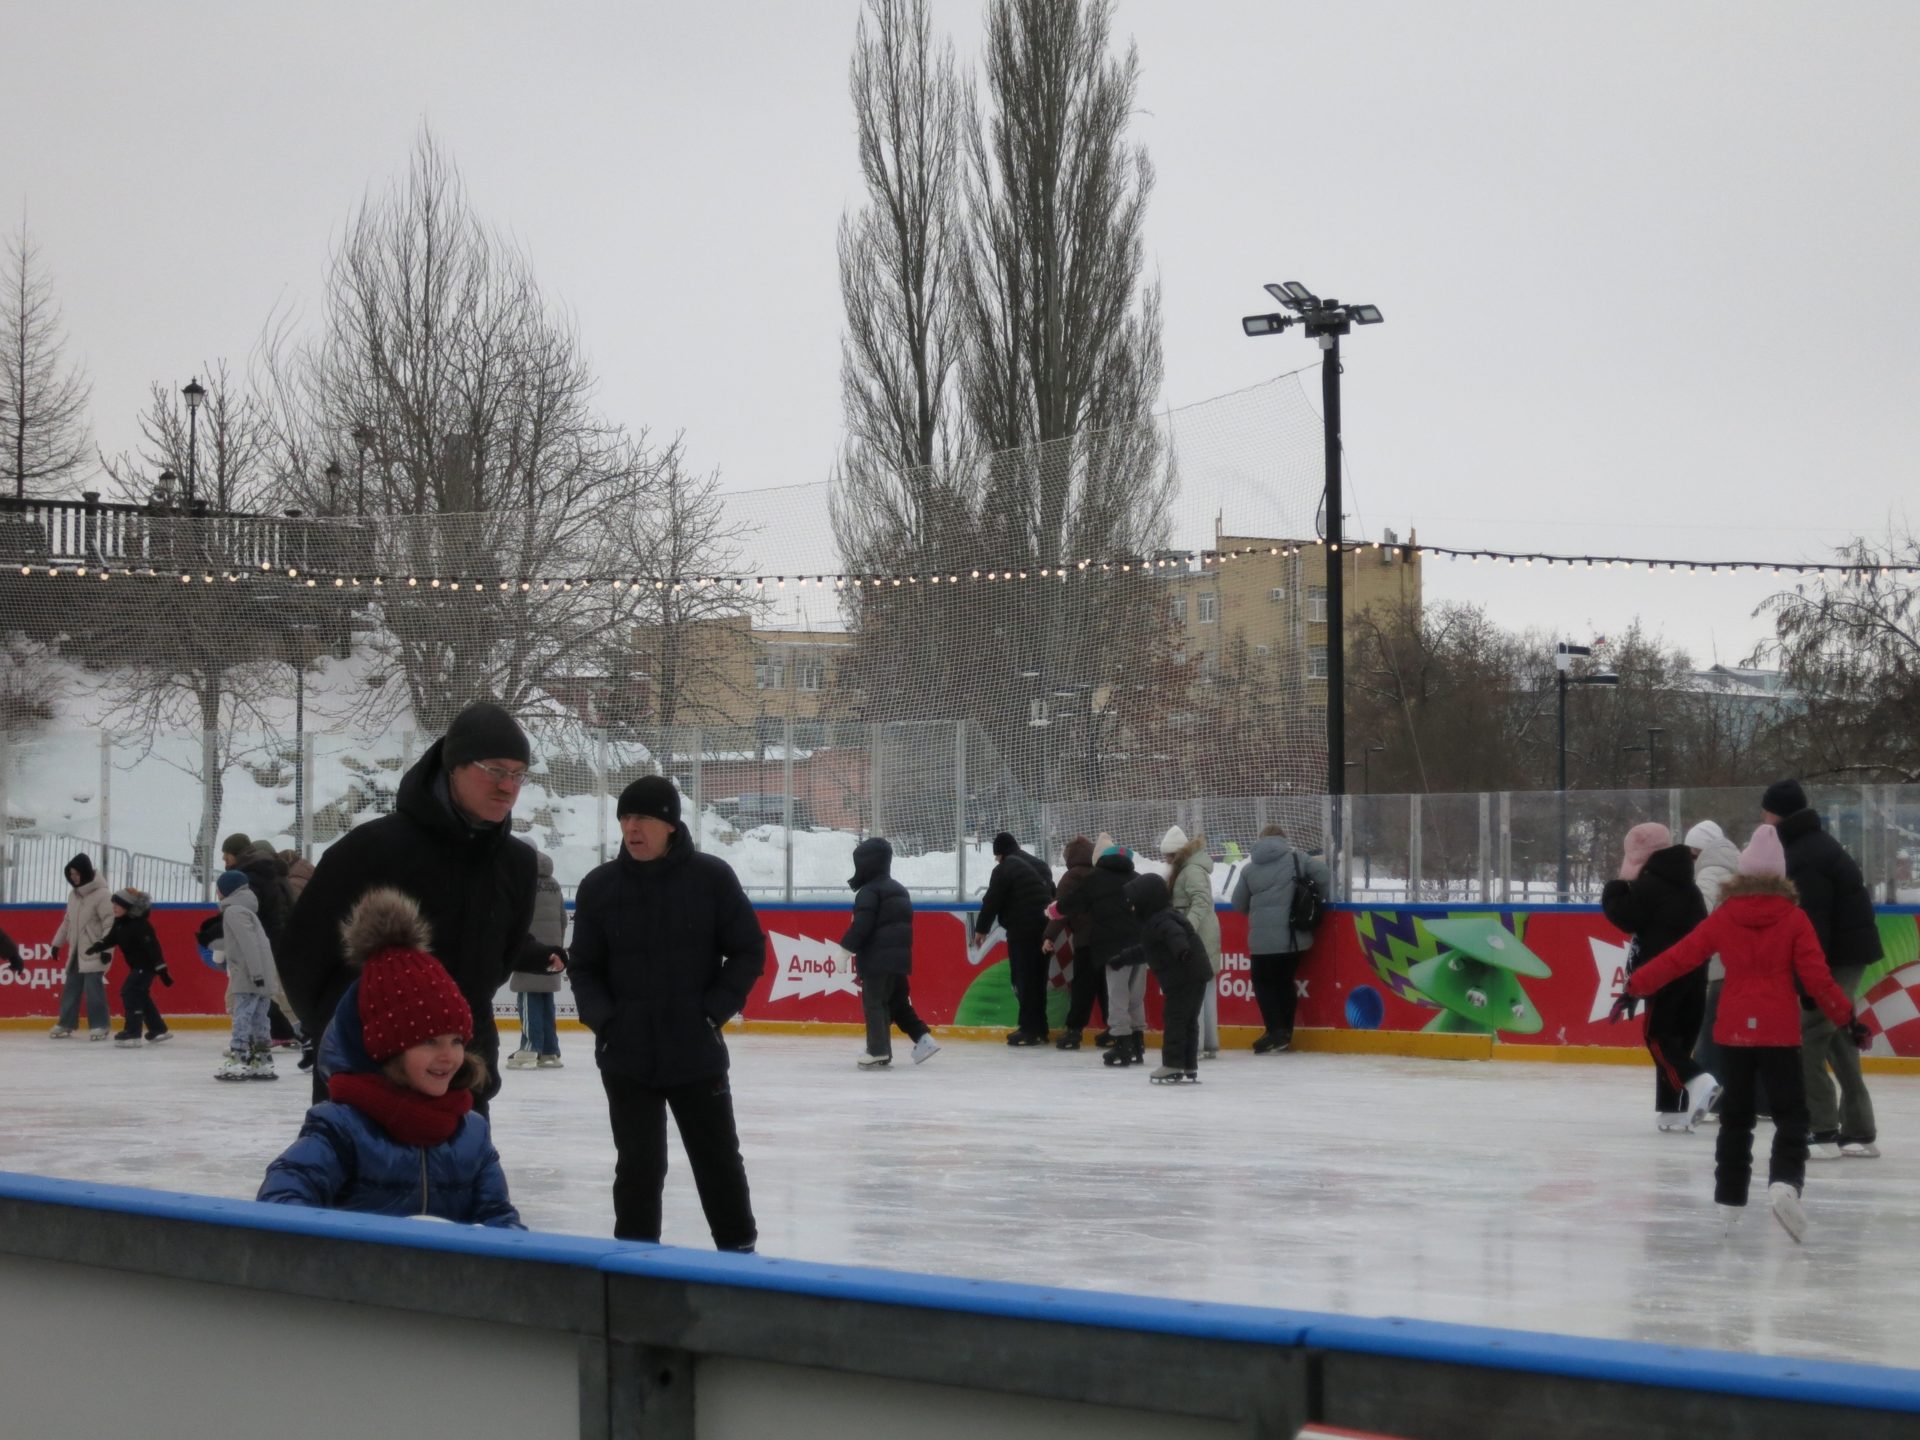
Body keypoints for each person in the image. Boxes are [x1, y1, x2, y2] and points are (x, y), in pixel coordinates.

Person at [278, 702, 565, 1111]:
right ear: (454, 767)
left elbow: (498, 963)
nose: (508, 786)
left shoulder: (516, 863)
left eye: (518, 774)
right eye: (495, 770)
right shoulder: (371, 849)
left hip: (464, 1078)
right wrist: (347, 1042)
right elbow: (304, 958)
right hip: (367, 1082)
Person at [1622, 825, 1865, 1243]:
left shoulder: (1726, 915)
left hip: (1733, 1032)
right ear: (1781, 875)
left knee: (1735, 1119)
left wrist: (1635, 985)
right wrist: (1847, 1019)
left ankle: (1729, 1201)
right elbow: (1818, 980)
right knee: (1792, 1116)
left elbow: (1680, 957)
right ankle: (1784, 1183)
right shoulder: (1794, 919)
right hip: (1779, 1033)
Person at [568, 776, 764, 1250]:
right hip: (626, 1055)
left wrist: (712, 1012)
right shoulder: (599, 886)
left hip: (695, 1051)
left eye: (643, 818)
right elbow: (584, 967)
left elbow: (748, 950)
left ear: (671, 824)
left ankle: (739, 1254)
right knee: (638, 1166)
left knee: (717, 1160)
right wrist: (607, 1022)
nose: (631, 828)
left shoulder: (711, 878)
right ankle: (635, 1262)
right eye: (625, 818)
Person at [258, 889, 523, 1228]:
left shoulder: (471, 1133)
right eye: (429, 1041)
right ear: (387, 1050)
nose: (448, 1056)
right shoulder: (341, 1129)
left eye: (457, 1041)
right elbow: (280, 1201)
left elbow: (499, 1217)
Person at [1762, 779, 1885, 1160]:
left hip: (1835, 957)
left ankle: (1823, 1130)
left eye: (1766, 810)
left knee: (1808, 1036)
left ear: (1778, 813)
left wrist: (1808, 985)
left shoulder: (1804, 855)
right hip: (1844, 953)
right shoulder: (1810, 844)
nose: (1762, 818)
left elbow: (1813, 925)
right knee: (1837, 1037)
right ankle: (1859, 1131)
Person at [1602, 823, 1717, 1131]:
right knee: (1679, 1038)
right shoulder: (1688, 885)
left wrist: (1615, 887)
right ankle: (1673, 1109)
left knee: (1658, 1036)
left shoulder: (1650, 885)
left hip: (1663, 973)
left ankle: (1696, 1080)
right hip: (1695, 972)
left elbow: (1623, 916)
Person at [1230, 826, 1330, 1054]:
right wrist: (1317, 895)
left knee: (1263, 982)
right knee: (1285, 982)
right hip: (1294, 937)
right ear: (1283, 839)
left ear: (1260, 840)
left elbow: (1238, 903)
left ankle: (1275, 1031)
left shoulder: (1249, 869)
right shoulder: (1298, 859)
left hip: (1262, 941)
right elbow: (1324, 875)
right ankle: (1285, 1033)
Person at [844, 836, 939, 1069]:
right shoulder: (899, 889)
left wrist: (845, 949)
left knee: (874, 1003)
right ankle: (923, 1039)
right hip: (899, 960)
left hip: (877, 961)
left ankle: (877, 1050)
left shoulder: (868, 892)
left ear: (868, 864)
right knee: (897, 1004)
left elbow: (862, 925)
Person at [1058, 840, 1149, 1068]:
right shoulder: (1137, 878)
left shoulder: (1096, 878)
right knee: (1135, 997)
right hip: (1140, 947)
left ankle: (1122, 1044)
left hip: (1113, 948)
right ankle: (1138, 1044)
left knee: (1117, 996)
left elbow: (1074, 901)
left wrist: (1054, 910)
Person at [1126, 872, 1212, 1084]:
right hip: (1194, 974)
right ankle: (1188, 1063)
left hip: (1184, 976)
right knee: (1188, 1020)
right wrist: (1121, 959)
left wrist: (1182, 951)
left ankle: (1173, 1064)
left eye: (1135, 903)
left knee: (1175, 1019)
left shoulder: (1161, 920)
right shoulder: (1160, 918)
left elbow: (1175, 935)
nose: (1132, 908)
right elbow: (1148, 950)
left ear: (1146, 901)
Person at [1684, 819, 1743, 1116]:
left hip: (1718, 966)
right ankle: (1754, 1098)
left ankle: (1708, 1098)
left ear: (1699, 850)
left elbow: (1699, 912)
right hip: (1736, 964)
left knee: (1709, 1035)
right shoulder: (1734, 866)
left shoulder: (1710, 872)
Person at [975, 831, 1056, 1046]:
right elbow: (1052, 894)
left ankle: (1028, 1030)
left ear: (1000, 853)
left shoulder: (1004, 868)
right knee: (1038, 979)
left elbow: (992, 900)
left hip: (1022, 930)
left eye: (996, 856)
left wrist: (981, 929)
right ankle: (1040, 1028)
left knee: (1023, 979)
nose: (996, 860)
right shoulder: (1040, 865)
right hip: (1046, 930)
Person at [1162, 826, 1223, 1059]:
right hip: (1199, 935)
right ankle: (1207, 1043)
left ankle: (1196, 1044)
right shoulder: (1188, 869)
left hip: (1198, 937)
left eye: (1169, 856)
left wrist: (1186, 928)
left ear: (1178, 854)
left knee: (1194, 991)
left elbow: (1201, 901)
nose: (1166, 860)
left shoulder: (1192, 871)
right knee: (1203, 990)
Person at [214, 870, 281, 1081]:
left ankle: (238, 1059)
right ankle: (262, 1060)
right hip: (260, 974)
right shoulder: (247, 910)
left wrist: (256, 974)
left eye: (218, 888)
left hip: (249, 974)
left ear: (227, 890)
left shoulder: (234, 911)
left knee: (242, 1015)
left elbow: (249, 944)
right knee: (260, 1017)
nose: (217, 893)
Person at [1044, 835, 1107, 1049]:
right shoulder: (1100, 873)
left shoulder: (1072, 876)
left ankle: (1074, 1031)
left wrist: (1048, 936)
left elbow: (1060, 909)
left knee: (1082, 987)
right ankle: (1115, 1030)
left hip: (1086, 941)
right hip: (1107, 940)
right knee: (1106, 986)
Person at [89, 888, 173, 1048]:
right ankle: (158, 1029)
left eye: (118, 904)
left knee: (130, 992)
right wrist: (98, 946)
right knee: (140, 995)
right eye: (113, 904)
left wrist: (162, 970)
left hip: (146, 967)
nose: (114, 907)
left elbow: (153, 948)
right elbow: (112, 938)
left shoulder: (140, 925)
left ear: (127, 906)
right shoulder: (120, 922)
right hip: (137, 966)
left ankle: (133, 1032)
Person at [508, 851, 568, 1070]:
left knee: (528, 998)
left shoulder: (523, 882)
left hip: (529, 951)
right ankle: (550, 1051)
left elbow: (515, 917)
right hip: (552, 951)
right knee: (545, 1000)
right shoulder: (554, 884)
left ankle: (529, 1049)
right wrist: (556, 947)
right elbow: (563, 918)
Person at [49, 853, 114, 1041]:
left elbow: (110, 923)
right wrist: (56, 944)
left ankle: (100, 1025)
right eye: (71, 874)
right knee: (71, 987)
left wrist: (106, 949)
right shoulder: (74, 895)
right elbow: (67, 921)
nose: (74, 877)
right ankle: (66, 1023)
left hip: (96, 950)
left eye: (77, 874)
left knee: (94, 989)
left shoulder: (102, 895)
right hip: (77, 951)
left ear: (85, 872)